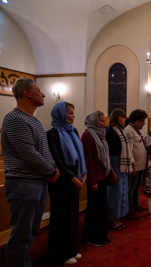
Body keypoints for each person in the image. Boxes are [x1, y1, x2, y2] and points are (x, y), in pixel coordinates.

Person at [1, 78, 60, 267]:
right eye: (39, 90)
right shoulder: (14, 119)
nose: (43, 94)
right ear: (27, 93)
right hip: (23, 184)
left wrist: (53, 169)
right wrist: (51, 170)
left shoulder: (32, 120)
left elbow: (44, 151)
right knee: (21, 237)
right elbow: (29, 154)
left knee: (30, 234)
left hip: (36, 182)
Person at [46, 101, 87, 265]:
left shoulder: (73, 131)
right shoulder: (52, 134)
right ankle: (59, 254)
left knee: (72, 217)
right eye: (70, 113)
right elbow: (56, 160)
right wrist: (73, 178)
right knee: (61, 217)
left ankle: (71, 249)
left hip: (75, 179)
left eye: (73, 113)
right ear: (61, 114)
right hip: (62, 182)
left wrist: (83, 174)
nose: (73, 116)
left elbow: (80, 154)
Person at [81, 110, 111, 247]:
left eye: (104, 121)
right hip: (94, 178)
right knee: (94, 210)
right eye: (101, 121)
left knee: (102, 208)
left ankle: (101, 235)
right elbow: (88, 161)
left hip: (102, 177)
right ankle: (92, 237)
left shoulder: (101, 134)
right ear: (94, 121)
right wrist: (92, 181)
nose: (104, 123)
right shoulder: (87, 135)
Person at [106, 109, 133, 230]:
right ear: (116, 118)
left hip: (122, 165)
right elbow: (107, 151)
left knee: (122, 192)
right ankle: (112, 218)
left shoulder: (121, 131)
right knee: (114, 193)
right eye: (122, 117)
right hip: (114, 164)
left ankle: (119, 216)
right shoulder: (109, 131)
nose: (125, 119)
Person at [124, 109, 148, 220]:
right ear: (136, 120)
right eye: (142, 121)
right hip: (134, 165)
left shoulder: (138, 130)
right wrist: (132, 166)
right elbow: (128, 150)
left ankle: (136, 205)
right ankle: (129, 210)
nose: (144, 123)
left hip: (141, 164)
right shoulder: (128, 131)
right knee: (131, 188)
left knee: (137, 186)